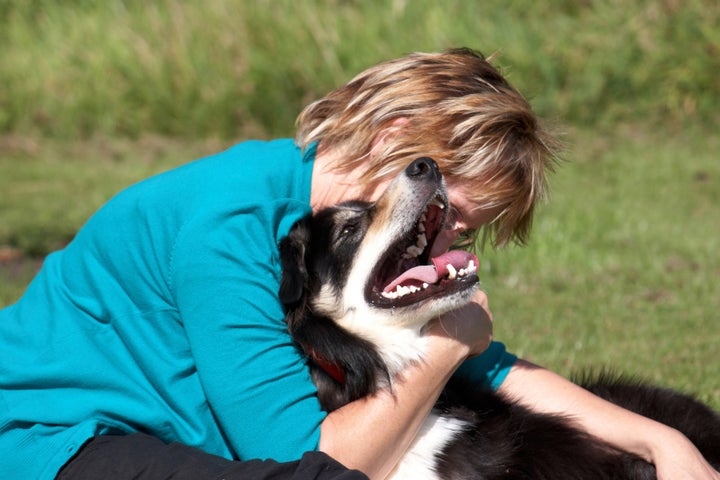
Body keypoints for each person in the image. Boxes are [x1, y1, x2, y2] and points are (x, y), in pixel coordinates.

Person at [0, 48, 716, 480]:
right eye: (453, 217)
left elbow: (494, 367)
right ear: (399, 137)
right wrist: (439, 351)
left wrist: (663, 440)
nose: (455, 245)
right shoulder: (231, 227)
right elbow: (314, 462)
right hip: (48, 440)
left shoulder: (327, 226)